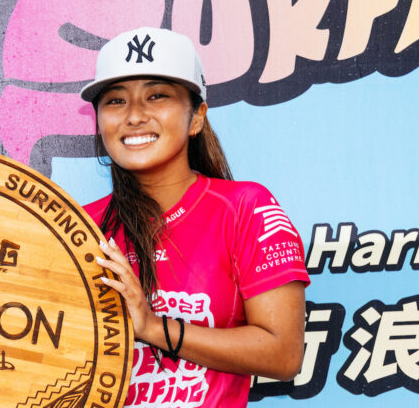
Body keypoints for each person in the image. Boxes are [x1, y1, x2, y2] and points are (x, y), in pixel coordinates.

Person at [81, 27, 309, 406]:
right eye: (116, 101)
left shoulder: (245, 208)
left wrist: (151, 327)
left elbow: (283, 354)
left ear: (197, 117)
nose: (134, 116)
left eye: (157, 96)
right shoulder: (78, 227)